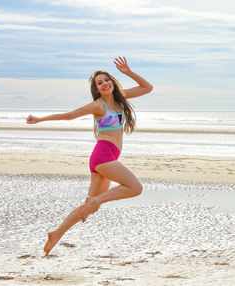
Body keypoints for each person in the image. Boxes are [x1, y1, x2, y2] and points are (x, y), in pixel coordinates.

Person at [26, 57, 153, 256]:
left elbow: (147, 88)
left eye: (106, 80)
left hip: (107, 156)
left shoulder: (121, 97)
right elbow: (69, 116)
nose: (104, 84)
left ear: (112, 81)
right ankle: (97, 200)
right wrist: (40, 119)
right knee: (135, 188)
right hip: (103, 156)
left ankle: (56, 233)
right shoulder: (98, 106)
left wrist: (127, 71)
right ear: (97, 89)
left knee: (90, 206)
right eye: (99, 83)